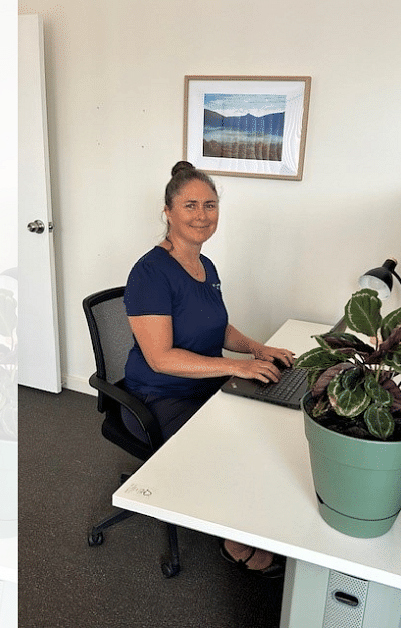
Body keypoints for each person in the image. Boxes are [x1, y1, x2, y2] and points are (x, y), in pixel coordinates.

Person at [123, 160, 294, 576]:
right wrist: (236, 367)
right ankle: (234, 538)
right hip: (159, 396)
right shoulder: (149, 274)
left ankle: (258, 518)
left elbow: (217, 326)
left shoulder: (206, 265)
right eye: (190, 206)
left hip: (204, 382)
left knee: (267, 427)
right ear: (168, 211)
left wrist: (257, 349)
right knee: (232, 446)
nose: (202, 215)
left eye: (210, 205)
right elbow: (160, 358)